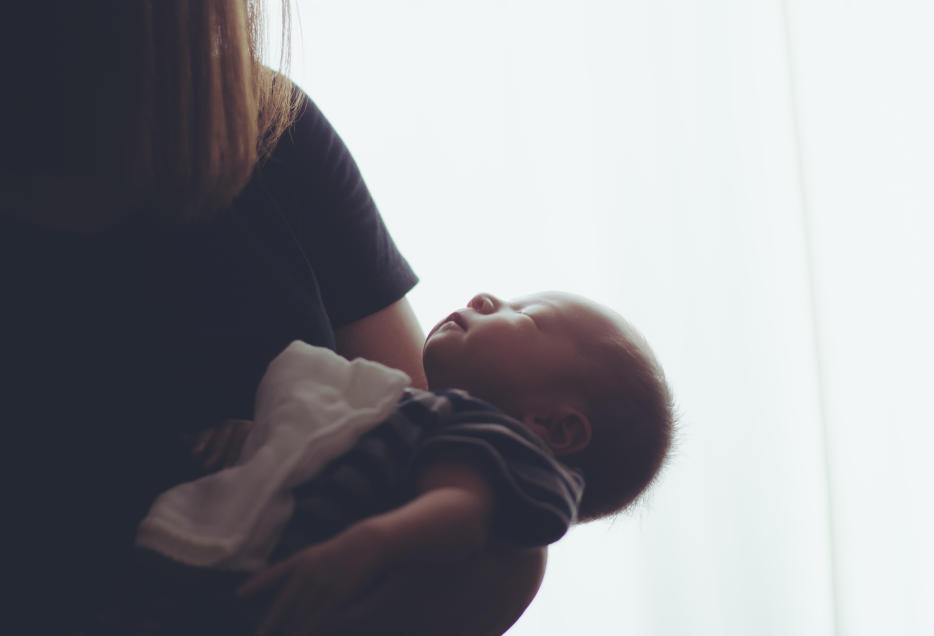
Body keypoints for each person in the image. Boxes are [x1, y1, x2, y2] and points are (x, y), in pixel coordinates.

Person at [0, 3, 546, 634]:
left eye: (531, 318)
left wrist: (282, 441)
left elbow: (406, 456)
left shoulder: (265, 125)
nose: (484, 299)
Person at [129, 290, 674, 635]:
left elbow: (461, 510)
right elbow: (323, 438)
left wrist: (366, 546)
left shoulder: (498, 442)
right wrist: (263, 436)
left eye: (528, 317)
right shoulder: (413, 415)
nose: (488, 298)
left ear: (553, 427)